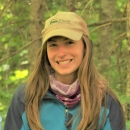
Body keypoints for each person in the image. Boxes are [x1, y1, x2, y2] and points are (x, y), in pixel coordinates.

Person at [4, 12, 126, 130]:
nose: (61, 53)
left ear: (85, 47)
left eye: (69, 42)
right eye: (53, 45)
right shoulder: (25, 98)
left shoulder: (106, 101)